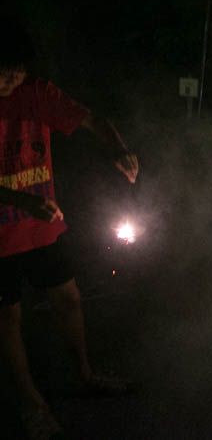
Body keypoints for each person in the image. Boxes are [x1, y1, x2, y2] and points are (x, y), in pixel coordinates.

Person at [0, 22, 139, 440]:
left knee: (69, 300)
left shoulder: (37, 93)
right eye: (4, 73)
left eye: (18, 72)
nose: (12, 81)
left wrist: (119, 149)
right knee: (8, 317)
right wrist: (22, 201)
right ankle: (31, 403)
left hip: (42, 227)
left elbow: (92, 119)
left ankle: (84, 374)